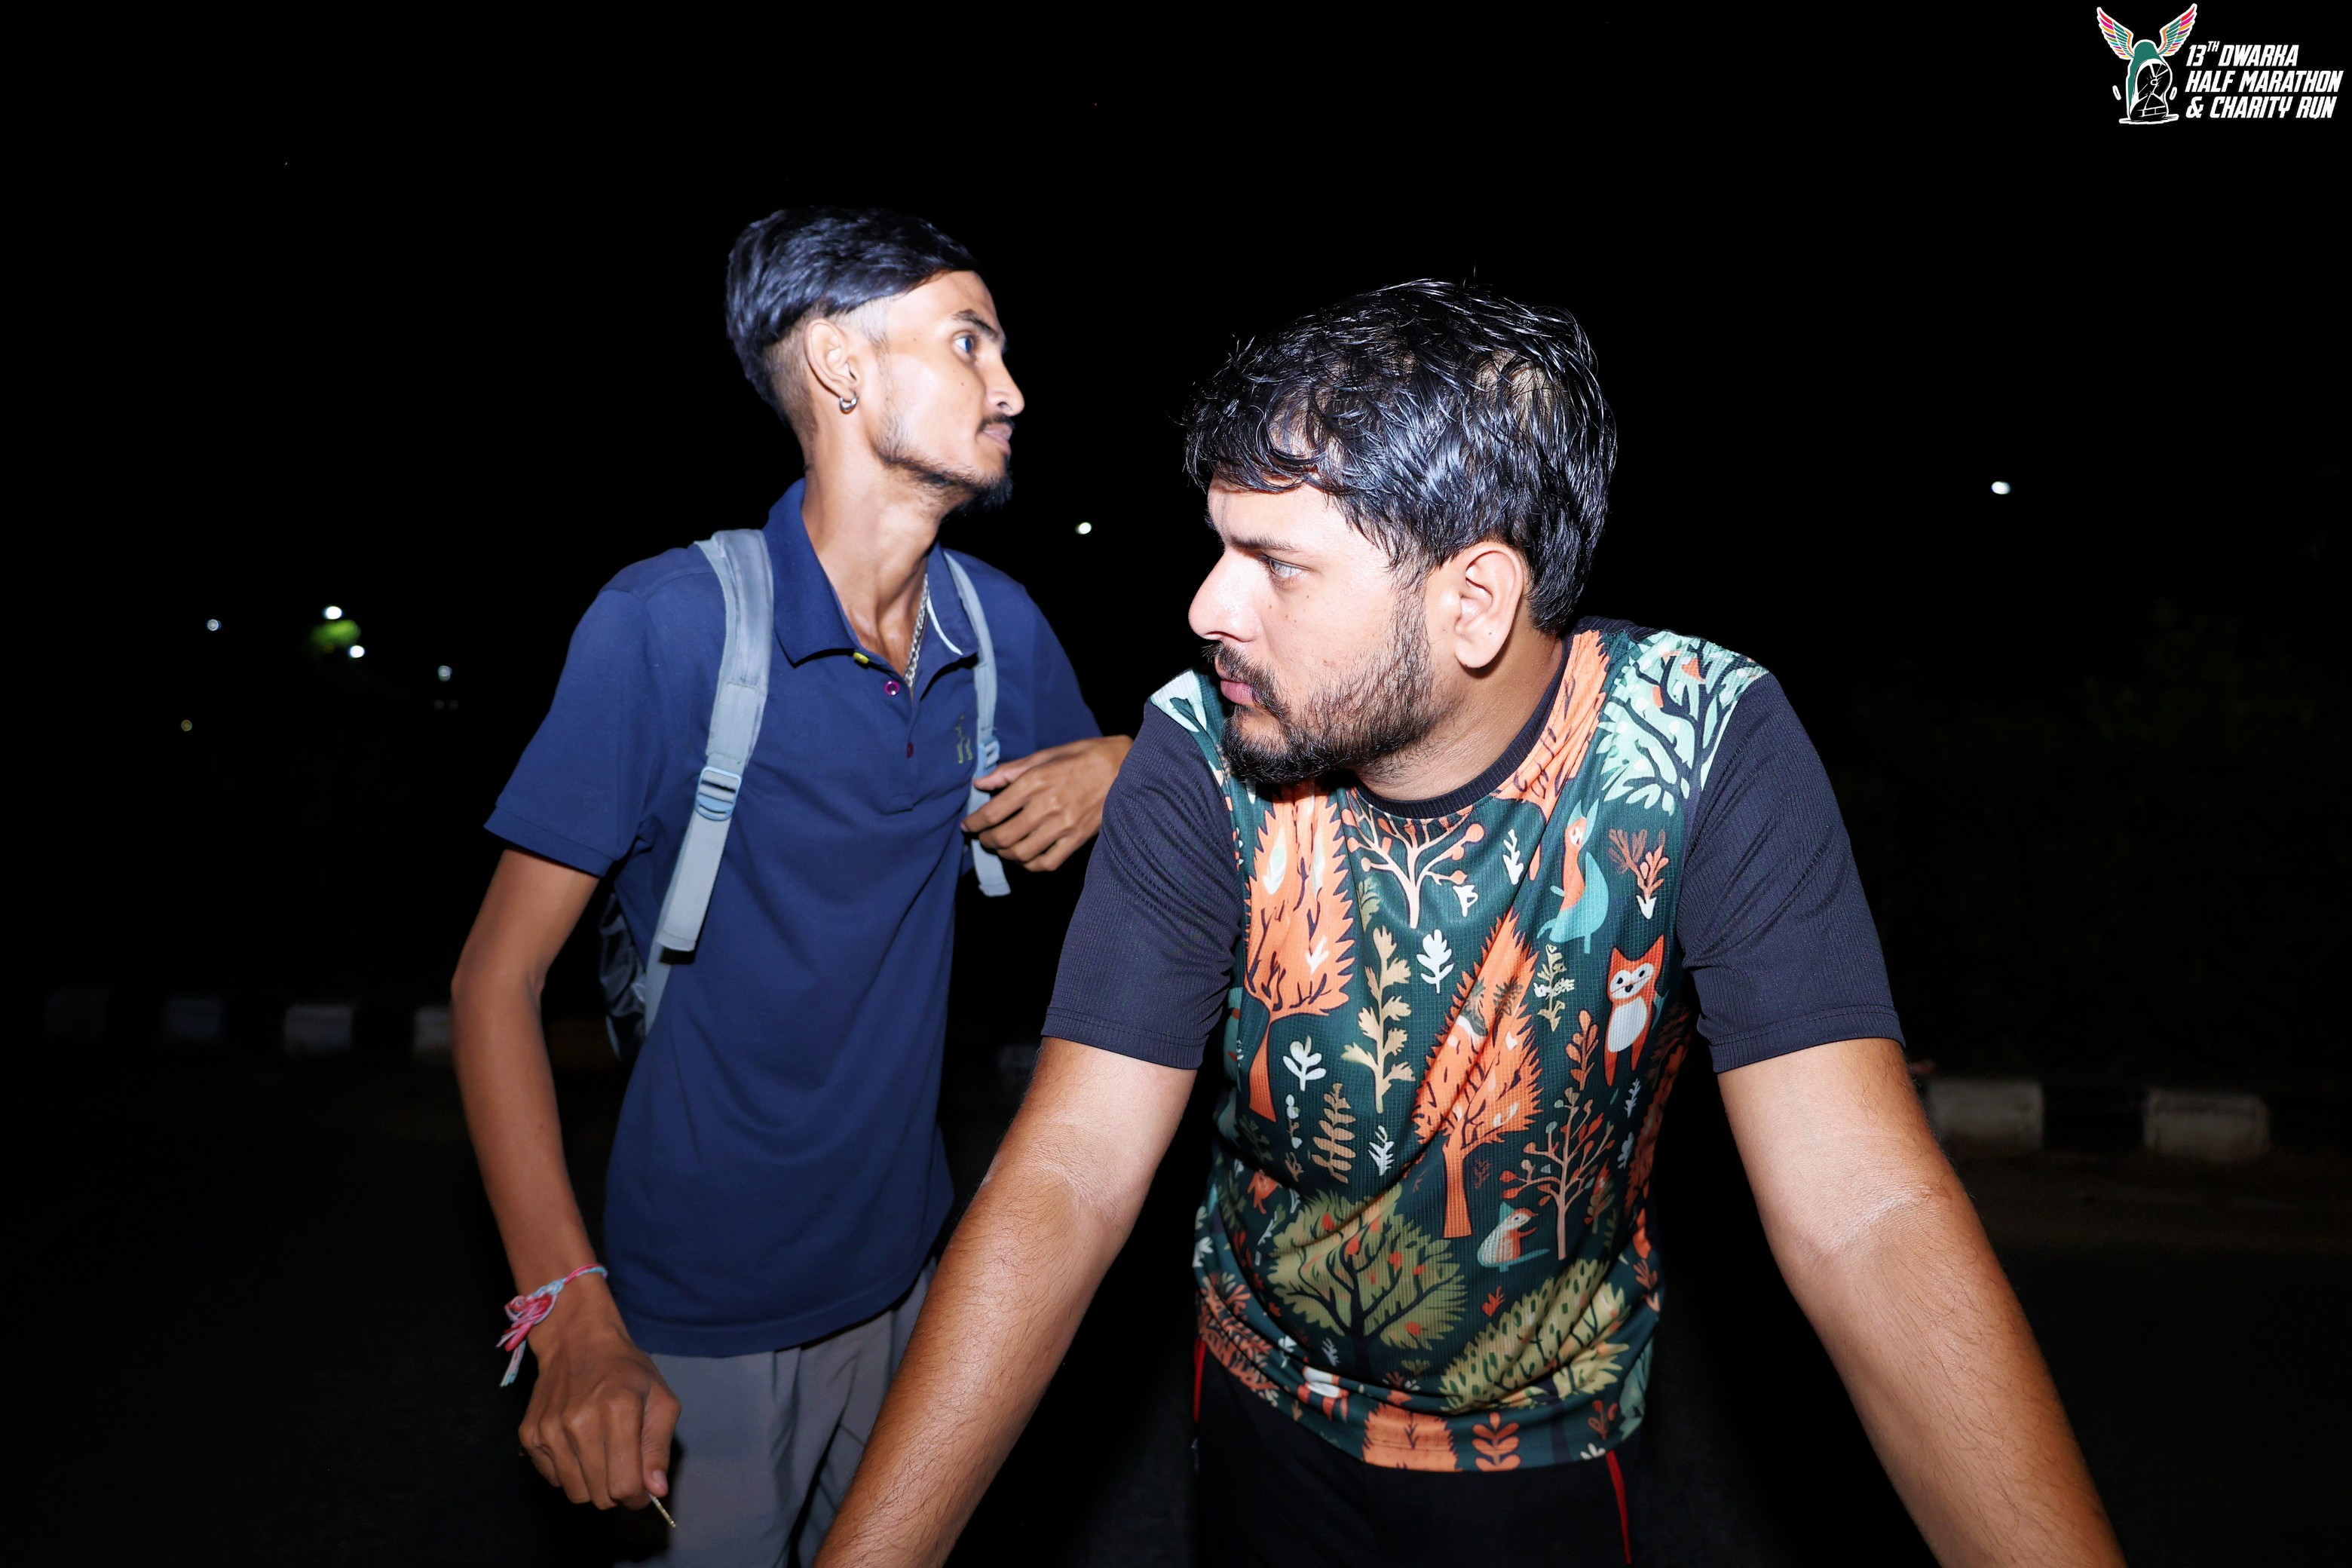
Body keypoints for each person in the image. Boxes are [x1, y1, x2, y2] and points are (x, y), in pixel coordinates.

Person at [813, 282, 2126, 1566]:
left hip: (1549, 1438)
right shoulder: (1197, 749)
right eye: (1220, 546)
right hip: (1263, 1394)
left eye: (1276, 563)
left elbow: (1865, 1212)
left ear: (1475, 601)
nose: (1208, 607)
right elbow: (1070, 1173)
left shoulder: (1701, 749)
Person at [449, 207, 1130, 1566]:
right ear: (840, 363)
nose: (1010, 388)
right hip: (697, 1312)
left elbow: (1166, 852)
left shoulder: (994, 630)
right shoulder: (670, 625)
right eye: (969, 342)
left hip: (912, 1276)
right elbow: (493, 983)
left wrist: (1125, 760)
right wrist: (567, 1311)